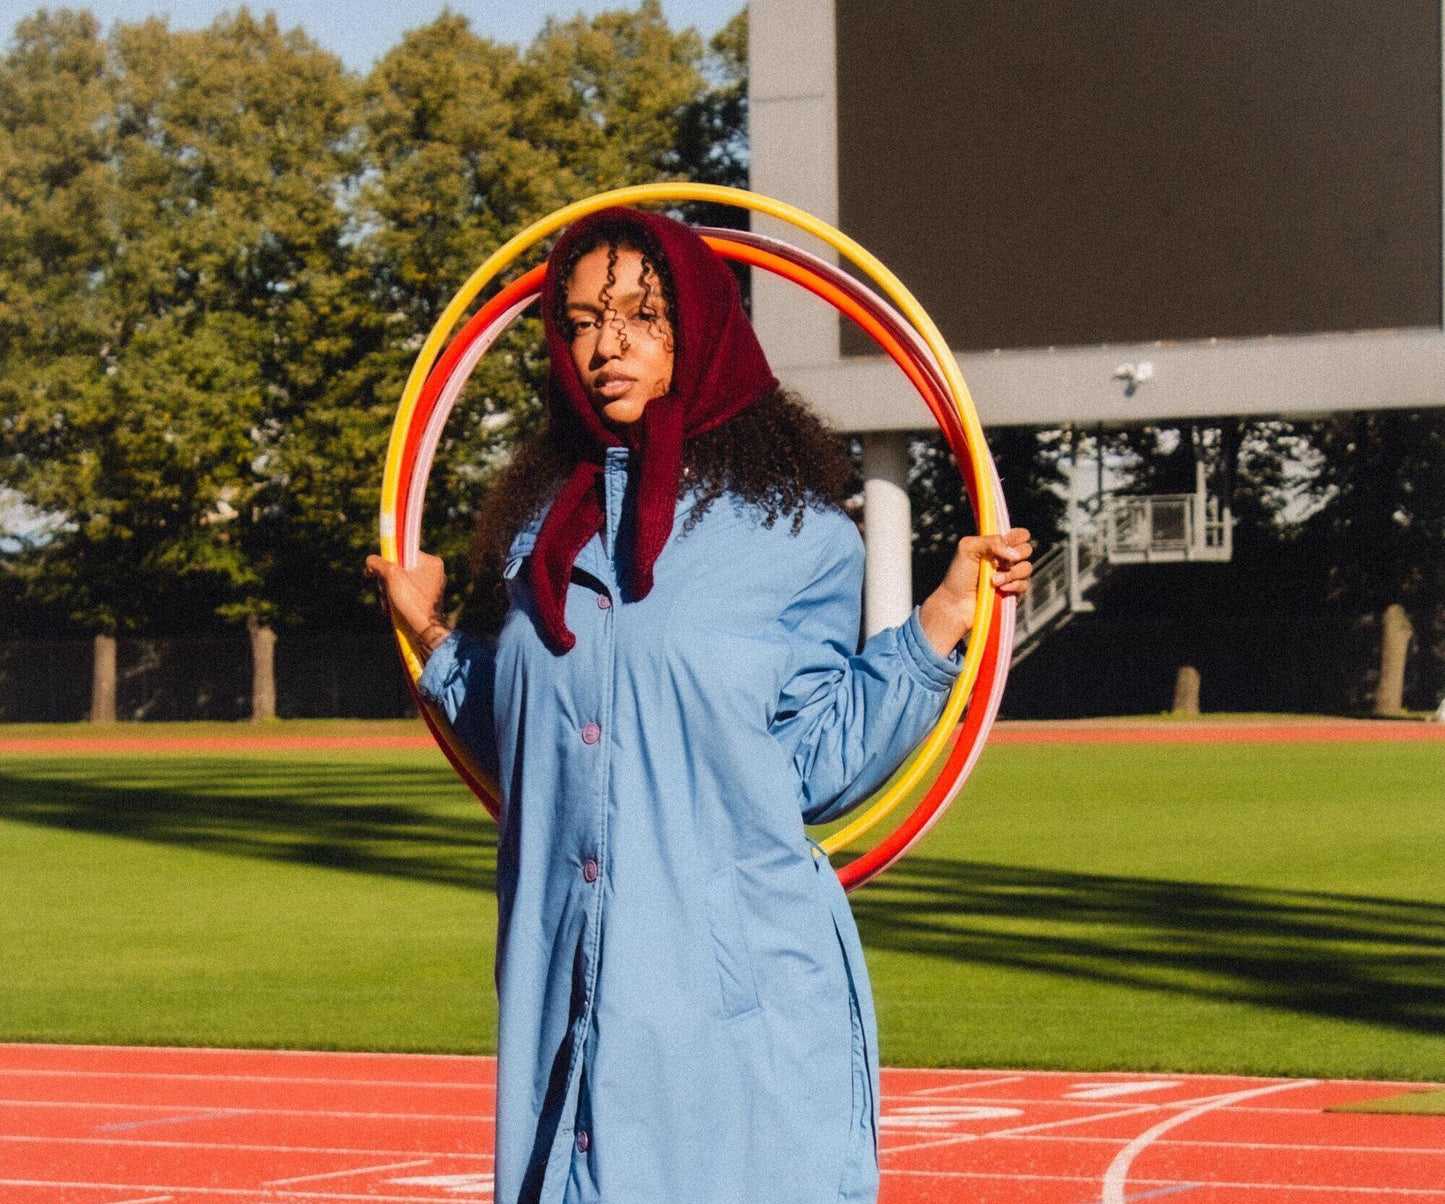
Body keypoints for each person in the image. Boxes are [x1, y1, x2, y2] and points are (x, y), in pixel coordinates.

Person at [366, 207, 1032, 1204]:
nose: (607, 344)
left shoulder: (793, 535)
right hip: (561, 992)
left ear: (702, 329)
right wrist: (431, 635)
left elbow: (812, 764)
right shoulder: (536, 534)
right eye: (584, 320)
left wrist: (941, 617)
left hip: (730, 1006)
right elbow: (531, 750)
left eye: (640, 314)